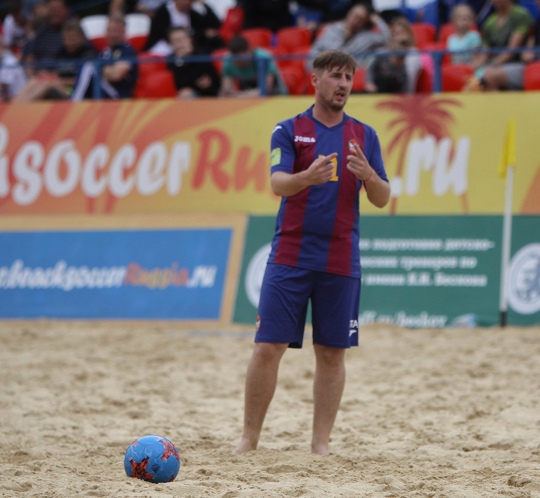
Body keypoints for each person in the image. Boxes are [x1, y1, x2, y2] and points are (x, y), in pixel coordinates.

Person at [235, 49, 390, 456]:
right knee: (268, 347)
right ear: (315, 80)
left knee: (332, 353)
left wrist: (369, 176)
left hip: (340, 258)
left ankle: (320, 444)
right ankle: (249, 439)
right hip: (291, 254)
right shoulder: (289, 129)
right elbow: (278, 184)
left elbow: (382, 197)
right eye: (336, 76)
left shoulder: (365, 136)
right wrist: (307, 176)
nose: (343, 84)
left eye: (349, 78)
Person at [13, 19, 98, 101]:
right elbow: (58, 72)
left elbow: (85, 81)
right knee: (34, 81)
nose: (69, 42)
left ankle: (19, 107)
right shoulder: (63, 52)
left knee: (46, 85)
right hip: (60, 85)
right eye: (66, 39)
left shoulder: (88, 54)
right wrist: (48, 75)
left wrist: (60, 81)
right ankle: (12, 106)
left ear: (81, 37)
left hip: (75, 92)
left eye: (72, 38)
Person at [71, 15, 138, 100]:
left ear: (123, 32)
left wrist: (99, 69)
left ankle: (74, 102)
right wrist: (106, 70)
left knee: (89, 67)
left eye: (116, 31)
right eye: (110, 30)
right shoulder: (105, 52)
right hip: (102, 90)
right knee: (88, 68)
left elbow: (116, 75)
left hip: (118, 95)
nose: (112, 35)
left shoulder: (128, 50)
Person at [472, 0, 533, 91]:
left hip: (519, 64)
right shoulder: (490, 21)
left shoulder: (520, 14)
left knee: (489, 76)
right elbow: (485, 52)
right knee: (474, 80)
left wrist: (492, 64)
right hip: (495, 66)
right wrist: (473, 68)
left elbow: (512, 49)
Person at [307, 3, 390, 69]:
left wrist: (377, 20)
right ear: (349, 13)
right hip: (325, 70)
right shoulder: (332, 28)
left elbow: (388, 39)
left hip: (349, 75)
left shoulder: (367, 37)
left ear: (364, 23)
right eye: (354, 15)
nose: (355, 21)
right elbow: (316, 49)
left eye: (360, 19)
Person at [365, 16, 422, 93]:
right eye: (396, 33)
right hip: (379, 91)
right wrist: (369, 83)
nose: (399, 37)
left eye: (402, 32)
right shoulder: (383, 52)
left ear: (408, 34)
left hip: (401, 93)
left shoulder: (413, 53)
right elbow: (371, 67)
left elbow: (409, 77)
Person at [144, 0, 223, 55]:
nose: (187, 2)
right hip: (166, 45)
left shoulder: (193, 14)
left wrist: (204, 4)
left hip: (189, 47)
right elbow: (159, 32)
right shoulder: (163, 11)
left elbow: (216, 24)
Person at [220, 34, 287, 97]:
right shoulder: (228, 60)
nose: (240, 63)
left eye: (242, 59)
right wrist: (229, 93)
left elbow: (266, 90)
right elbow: (226, 90)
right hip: (245, 98)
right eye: (236, 60)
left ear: (250, 50)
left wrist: (239, 95)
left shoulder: (264, 57)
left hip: (275, 96)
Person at [20, 0, 70, 77]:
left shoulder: (72, 31)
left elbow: (73, 61)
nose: (55, 13)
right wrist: (33, 75)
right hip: (39, 76)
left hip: (61, 77)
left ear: (66, 10)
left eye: (58, 9)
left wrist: (52, 74)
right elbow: (30, 56)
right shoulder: (42, 31)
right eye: (52, 9)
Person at [166, 26, 220, 97]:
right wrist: (181, 60)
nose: (179, 43)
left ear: (189, 39)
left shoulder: (202, 56)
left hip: (207, 95)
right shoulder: (171, 60)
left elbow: (214, 82)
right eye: (175, 40)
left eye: (182, 39)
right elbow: (179, 83)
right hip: (182, 96)